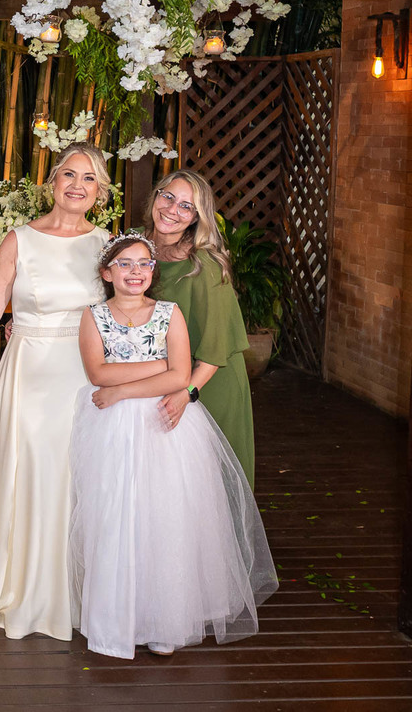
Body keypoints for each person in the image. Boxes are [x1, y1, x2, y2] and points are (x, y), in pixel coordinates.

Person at [0, 143, 112, 640]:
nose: (77, 185)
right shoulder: (19, 240)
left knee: (78, 473)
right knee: (31, 470)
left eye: (89, 178)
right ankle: (20, 585)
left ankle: (76, 590)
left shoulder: (107, 245)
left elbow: (123, 309)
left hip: (85, 374)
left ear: (99, 191)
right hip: (30, 373)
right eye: (69, 174)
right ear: (53, 181)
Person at [68, 233, 276, 659]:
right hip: (112, 429)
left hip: (166, 422)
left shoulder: (169, 313)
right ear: (106, 273)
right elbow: (98, 373)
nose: (135, 272)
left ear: (153, 271)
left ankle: (166, 621)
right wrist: (159, 366)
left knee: (165, 516)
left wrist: (126, 387)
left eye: (144, 264)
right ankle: (119, 620)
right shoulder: (93, 316)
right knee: (118, 514)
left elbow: (180, 377)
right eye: (124, 264)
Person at [143, 170, 256, 485]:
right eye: (168, 197)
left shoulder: (203, 265)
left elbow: (215, 349)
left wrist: (186, 394)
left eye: (186, 206)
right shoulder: (135, 243)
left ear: (196, 217)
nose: (172, 210)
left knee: (209, 482)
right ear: (156, 196)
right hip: (162, 375)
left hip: (206, 381)